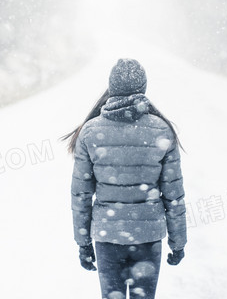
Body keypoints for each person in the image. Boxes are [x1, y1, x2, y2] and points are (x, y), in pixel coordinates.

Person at [61, 58, 187, 299]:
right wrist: (178, 241)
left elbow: (81, 195)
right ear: (143, 88)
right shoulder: (162, 130)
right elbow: (174, 195)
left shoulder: (90, 132)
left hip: (108, 237)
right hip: (148, 238)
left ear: (112, 88)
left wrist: (83, 242)